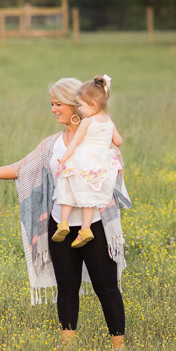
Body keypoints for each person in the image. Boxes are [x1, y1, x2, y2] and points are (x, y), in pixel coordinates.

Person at [0, 76, 130, 349]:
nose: (53, 109)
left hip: (95, 224)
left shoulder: (100, 135)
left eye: (58, 104)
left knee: (107, 288)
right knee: (66, 288)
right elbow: (21, 167)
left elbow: (115, 168)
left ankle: (119, 348)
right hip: (60, 225)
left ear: (75, 105)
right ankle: (67, 346)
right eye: (52, 104)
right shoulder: (51, 145)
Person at [53, 74, 123, 247]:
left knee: (67, 186)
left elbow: (75, 143)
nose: (80, 109)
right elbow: (118, 142)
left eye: (81, 105)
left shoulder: (87, 122)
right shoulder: (109, 122)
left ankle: (63, 223)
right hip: (100, 165)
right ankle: (85, 229)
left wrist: (63, 160)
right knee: (89, 199)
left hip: (82, 160)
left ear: (92, 105)